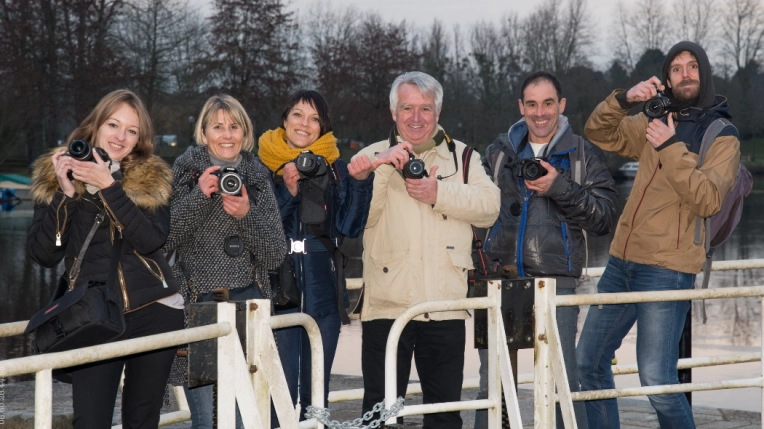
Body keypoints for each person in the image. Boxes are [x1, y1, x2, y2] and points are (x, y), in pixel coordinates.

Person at [577, 41, 741, 429]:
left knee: (657, 381)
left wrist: (669, 145)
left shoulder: (723, 135)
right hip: (621, 263)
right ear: (666, 78)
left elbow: (708, 199)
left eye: (692, 67)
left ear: (704, 73)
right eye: (676, 68)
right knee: (589, 362)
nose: (685, 74)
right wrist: (624, 99)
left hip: (667, 270)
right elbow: (598, 132)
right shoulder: (654, 118)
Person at [27, 89, 184, 429]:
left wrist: (110, 187)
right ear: (95, 126)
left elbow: (152, 241)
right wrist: (66, 196)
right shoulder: (57, 173)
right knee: (90, 421)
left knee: (142, 421)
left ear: (140, 138)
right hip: (91, 315)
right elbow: (44, 254)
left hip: (154, 310)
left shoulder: (151, 177)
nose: (120, 136)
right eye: (113, 124)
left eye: (132, 130)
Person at [352, 71, 501, 429]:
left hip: (445, 305)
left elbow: (490, 206)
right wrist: (385, 167)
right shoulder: (369, 157)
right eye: (407, 108)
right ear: (393, 112)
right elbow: (358, 221)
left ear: (438, 112)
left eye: (425, 108)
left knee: (444, 417)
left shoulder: (463, 157)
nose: (416, 118)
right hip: (386, 307)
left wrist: (439, 193)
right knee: (380, 415)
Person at [473, 71, 617, 429]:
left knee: (560, 382)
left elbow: (604, 219)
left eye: (548, 103)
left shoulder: (581, 153)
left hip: (557, 282)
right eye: (532, 104)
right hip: (499, 278)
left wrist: (559, 187)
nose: (540, 113)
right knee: (492, 385)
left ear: (561, 106)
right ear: (521, 107)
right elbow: (474, 211)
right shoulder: (498, 152)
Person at [164, 94, 287, 428]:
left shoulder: (258, 177)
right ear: (203, 133)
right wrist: (197, 197)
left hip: (249, 309)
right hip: (198, 310)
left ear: (245, 132)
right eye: (218, 126)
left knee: (251, 416)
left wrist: (247, 215)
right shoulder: (184, 173)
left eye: (234, 126)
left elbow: (276, 254)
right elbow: (162, 244)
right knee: (208, 420)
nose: (227, 134)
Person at [258, 90, 374, 423]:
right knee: (281, 395)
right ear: (284, 119)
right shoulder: (261, 167)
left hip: (323, 297)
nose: (304, 124)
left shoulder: (334, 168)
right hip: (278, 296)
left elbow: (349, 228)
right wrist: (290, 192)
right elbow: (261, 230)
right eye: (297, 115)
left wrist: (361, 183)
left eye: (314, 119)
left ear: (323, 127)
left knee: (316, 397)